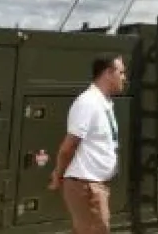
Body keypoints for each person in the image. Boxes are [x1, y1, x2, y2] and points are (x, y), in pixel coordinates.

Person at [49, 54, 127, 234]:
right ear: (108, 73)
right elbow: (68, 146)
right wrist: (58, 174)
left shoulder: (104, 103)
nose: (124, 77)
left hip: (95, 184)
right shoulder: (88, 103)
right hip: (86, 186)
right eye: (121, 73)